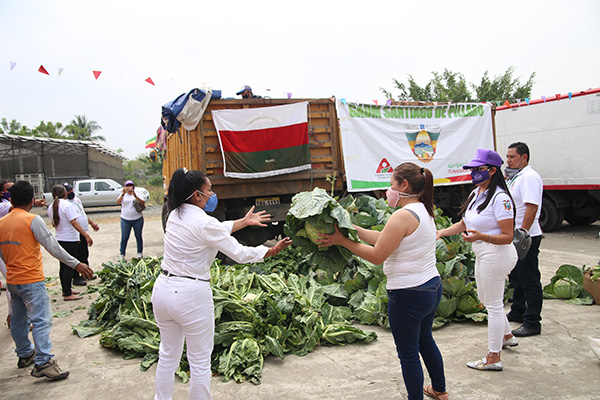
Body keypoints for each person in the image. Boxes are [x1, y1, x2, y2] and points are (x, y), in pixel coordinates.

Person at [151, 168, 292, 400]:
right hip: (190, 296)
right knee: (199, 363)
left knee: (167, 356)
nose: (212, 194)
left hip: (163, 291)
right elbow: (240, 253)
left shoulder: (175, 214)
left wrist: (244, 222)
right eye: (209, 190)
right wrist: (271, 250)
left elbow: (215, 230)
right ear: (197, 195)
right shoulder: (204, 223)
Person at [317, 163, 448, 400]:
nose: (388, 190)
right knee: (425, 341)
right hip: (431, 287)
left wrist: (341, 241)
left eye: (391, 185)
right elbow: (385, 237)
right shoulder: (423, 210)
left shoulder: (402, 215)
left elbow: (378, 255)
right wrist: (350, 229)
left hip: (409, 294)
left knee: (408, 354)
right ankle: (439, 389)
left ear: (404, 185)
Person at [0, 181, 93, 380]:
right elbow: (52, 247)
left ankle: (25, 354)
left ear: (12, 200)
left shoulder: (2, 222)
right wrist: (77, 264)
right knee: (41, 321)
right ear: (32, 200)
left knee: (18, 321)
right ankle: (43, 362)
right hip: (31, 280)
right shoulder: (32, 220)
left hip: (12, 281)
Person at [437, 149, 518, 372]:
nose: (473, 173)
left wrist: (482, 236)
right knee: (486, 298)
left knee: (492, 305)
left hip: (497, 253)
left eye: (478, 169)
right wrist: (442, 232)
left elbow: (508, 236)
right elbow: (465, 223)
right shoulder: (477, 193)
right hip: (484, 252)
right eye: (472, 169)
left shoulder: (500, 198)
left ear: (492, 170)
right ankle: (507, 335)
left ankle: (494, 357)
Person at [505, 142, 544, 337]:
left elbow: (531, 208)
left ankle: (532, 322)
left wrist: (523, 234)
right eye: (508, 156)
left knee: (529, 279)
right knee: (517, 277)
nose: (508, 160)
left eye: (512, 157)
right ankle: (518, 311)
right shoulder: (517, 177)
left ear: (524, 157)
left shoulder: (529, 177)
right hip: (516, 235)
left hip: (526, 237)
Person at [0, 180, 46, 327]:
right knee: (41, 321)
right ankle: (42, 350)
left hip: (14, 273)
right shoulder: (6, 208)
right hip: (28, 276)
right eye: (9, 189)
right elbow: (14, 208)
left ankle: (14, 319)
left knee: (12, 286)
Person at [47, 185, 93, 301]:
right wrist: (86, 235)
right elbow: (75, 223)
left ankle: (66, 289)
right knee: (69, 266)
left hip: (60, 238)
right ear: (65, 193)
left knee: (63, 265)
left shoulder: (51, 206)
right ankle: (67, 293)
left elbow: (54, 224)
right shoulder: (67, 205)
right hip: (69, 239)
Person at [63, 182, 99, 286]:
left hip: (83, 230)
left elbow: (82, 213)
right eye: (68, 190)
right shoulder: (66, 204)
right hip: (74, 232)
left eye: (71, 189)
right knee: (76, 255)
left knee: (84, 253)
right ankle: (76, 277)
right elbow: (73, 220)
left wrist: (92, 223)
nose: (71, 192)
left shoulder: (77, 200)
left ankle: (86, 273)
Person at [117, 179, 145, 259]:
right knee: (124, 237)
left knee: (138, 236)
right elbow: (118, 202)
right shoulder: (123, 194)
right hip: (125, 219)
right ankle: (122, 253)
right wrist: (123, 193)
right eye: (127, 186)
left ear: (133, 186)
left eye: (131, 186)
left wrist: (135, 195)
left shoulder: (137, 193)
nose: (129, 188)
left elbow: (143, 203)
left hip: (137, 219)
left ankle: (139, 252)